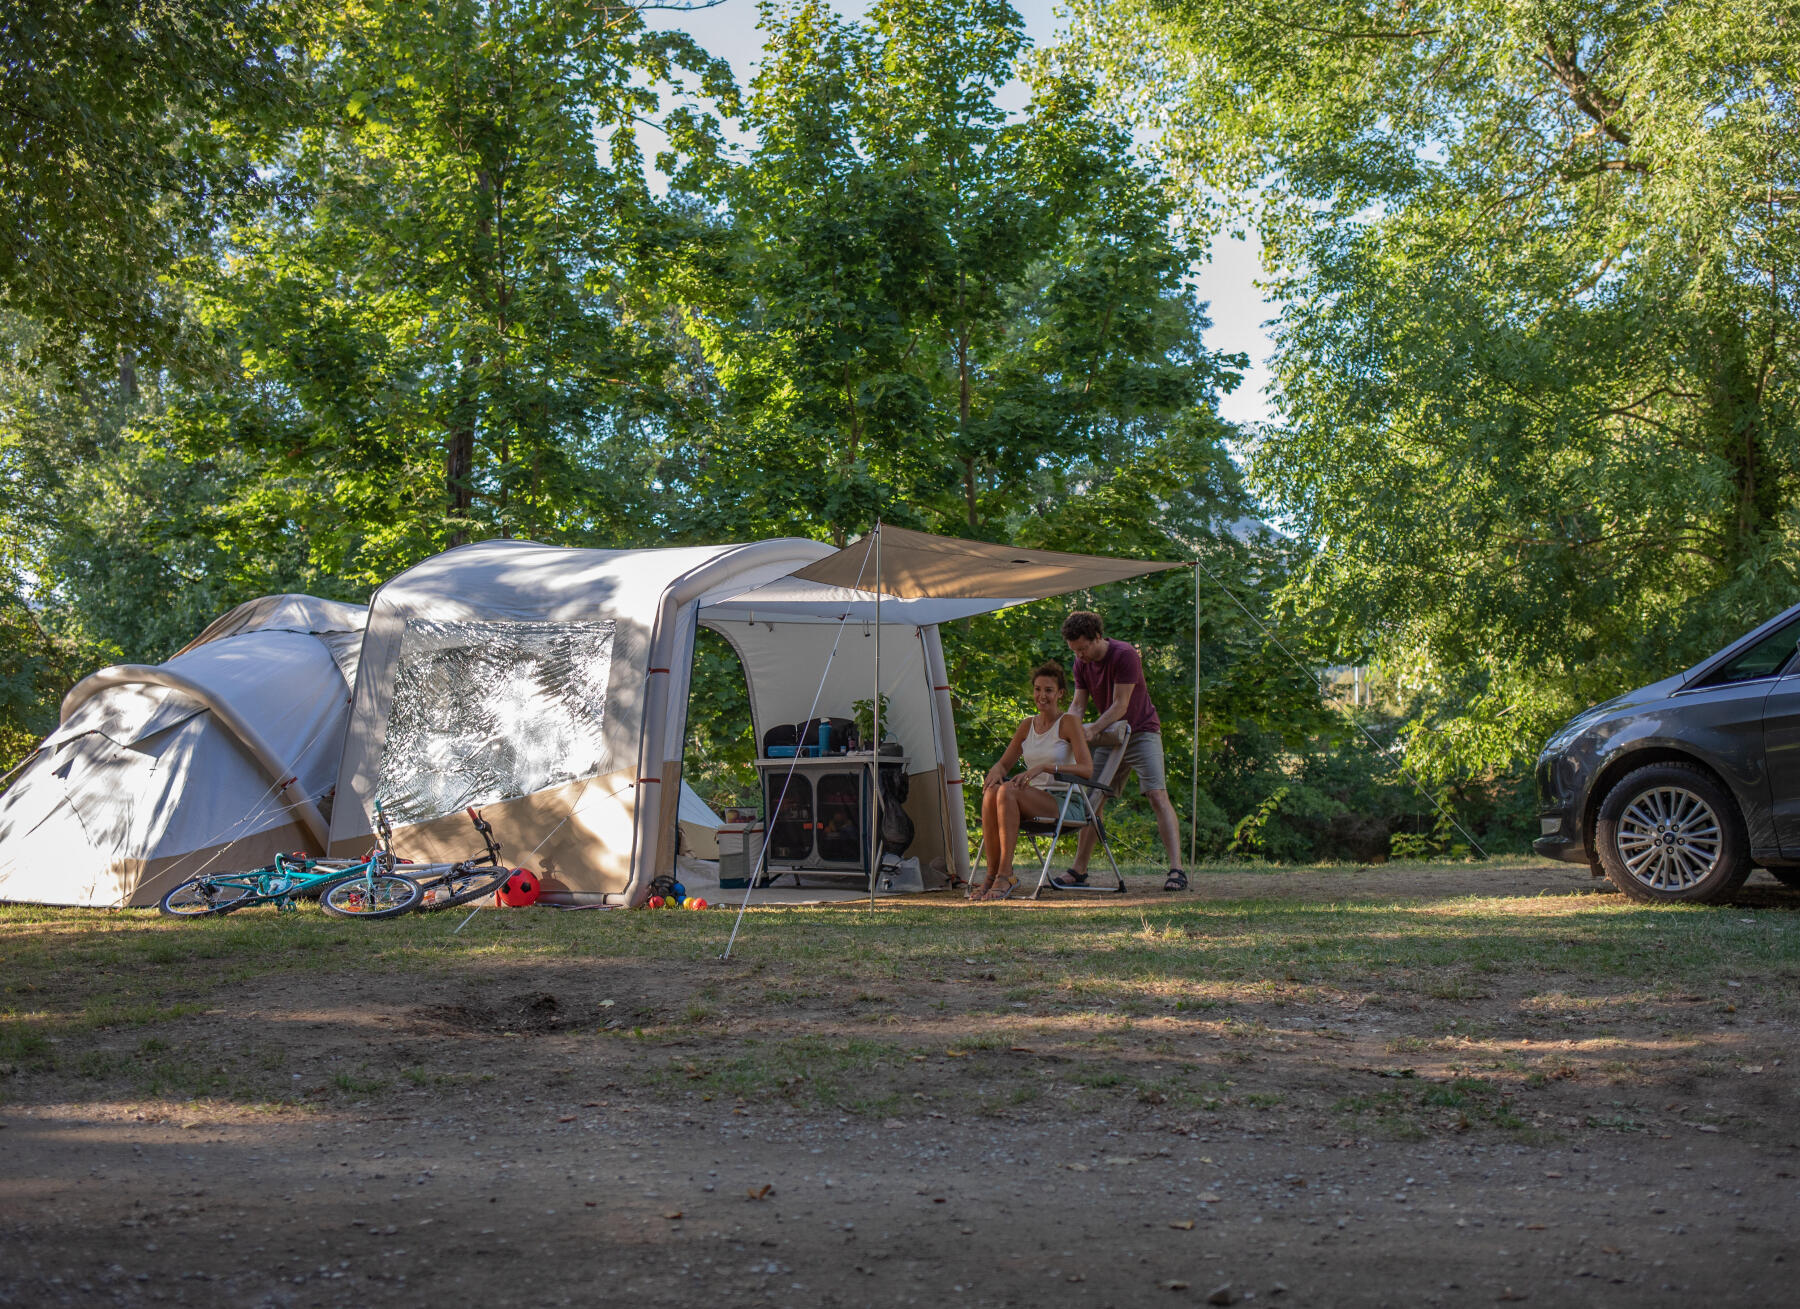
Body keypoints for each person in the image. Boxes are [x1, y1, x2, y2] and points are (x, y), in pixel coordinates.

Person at [1056, 610, 1187, 891]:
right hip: (1111, 734)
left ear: (1097, 638)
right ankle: (1079, 871)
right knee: (1094, 799)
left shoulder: (1124, 655)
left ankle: (1177, 870)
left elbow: (1120, 705)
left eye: (1082, 649)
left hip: (1141, 731)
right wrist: (1068, 731)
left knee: (1156, 794)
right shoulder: (1081, 664)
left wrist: (1091, 731)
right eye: (1074, 651)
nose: (1078, 656)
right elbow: (1078, 706)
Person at [975, 661, 1093, 901]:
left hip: (1065, 800)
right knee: (991, 791)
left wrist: (1045, 767)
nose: (1042, 695)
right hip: (1030, 799)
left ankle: (1005, 874)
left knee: (1008, 790)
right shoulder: (1027, 725)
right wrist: (995, 771)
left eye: (1048, 690)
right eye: (1038, 689)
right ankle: (991, 875)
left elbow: (1087, 770)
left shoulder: (1069, 723)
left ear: (1060, 693)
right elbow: (1004, 764)